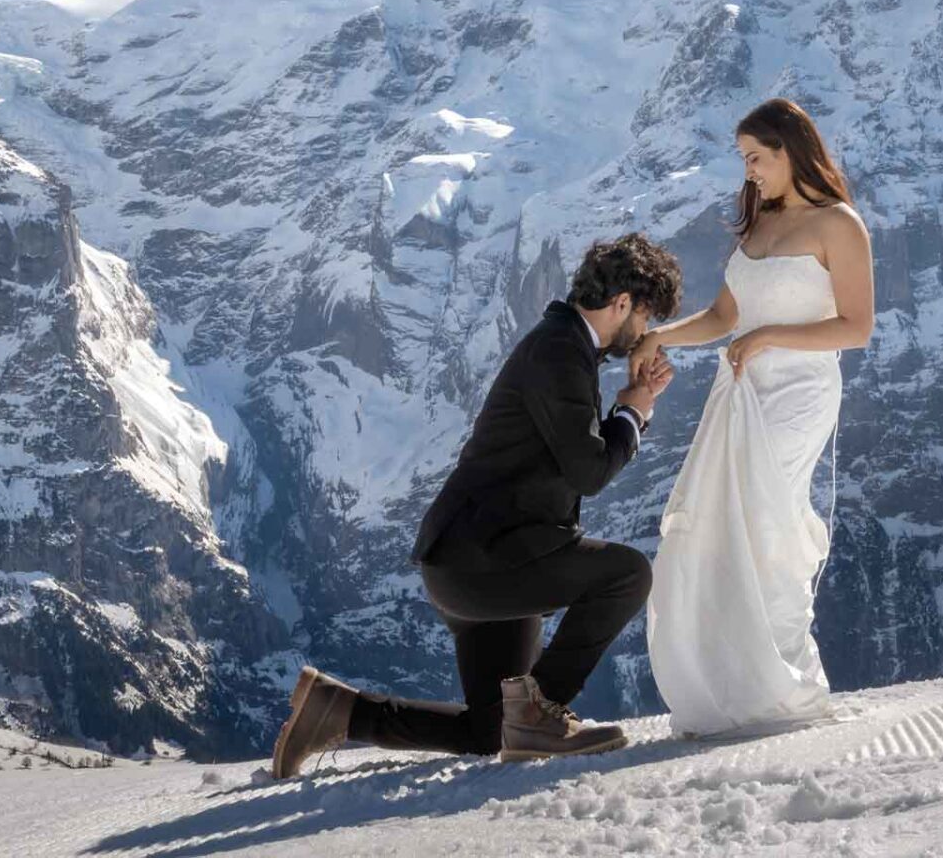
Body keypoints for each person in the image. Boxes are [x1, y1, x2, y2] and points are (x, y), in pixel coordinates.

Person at [271, 233, 682, 775]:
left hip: (474, 560)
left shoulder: (563, 344)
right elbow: (589, 472)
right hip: (486, 562)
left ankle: (339, 711)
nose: (645, 331)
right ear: (623, 303)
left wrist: (629, 403)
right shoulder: (561, 351)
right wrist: (634, 413)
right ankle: (538, 715)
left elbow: (574, 453)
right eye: (645, 315)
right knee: (627, 575)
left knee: (491, 732)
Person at [634, 97, 873, 737]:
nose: (749, 172)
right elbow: (723, 317)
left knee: (767, 521)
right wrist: (658, 337)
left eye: (756, 158)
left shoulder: (839, 224)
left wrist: (767, 338)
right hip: (741, 394)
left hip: (800, 393)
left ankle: (781, 685)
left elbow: (856, 327)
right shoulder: (758, 225)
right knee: (722, 524)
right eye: (744, 160)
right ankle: (733, 685)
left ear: (790, 151)